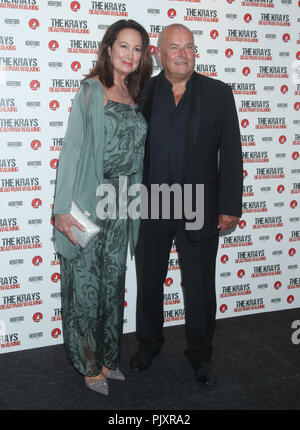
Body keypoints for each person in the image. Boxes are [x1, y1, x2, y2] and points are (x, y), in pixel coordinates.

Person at [130, 23, 243, 385]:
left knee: (198, 285)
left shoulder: (218, 93)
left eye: (189, 47)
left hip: (201, 205)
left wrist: (230, 206)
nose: (183, 53)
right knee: (149, 280)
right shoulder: (140, 92)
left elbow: (232, 154)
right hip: (151, 203)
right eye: (174, 47)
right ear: (158, 54)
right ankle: (148, 344)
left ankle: (200, 353)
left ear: (196, 52)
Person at [53, 19, 152, 395]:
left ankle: (109, 359)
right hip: (90, 203)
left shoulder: (133, 93)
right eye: (123, 46)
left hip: (123, 204)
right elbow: (73, 149)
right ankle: (89, 364)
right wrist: (62, 207)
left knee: (112, 283)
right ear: (109, 49)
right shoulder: (91, 91)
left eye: (137, 48)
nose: (129, 55)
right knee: (86, 287)